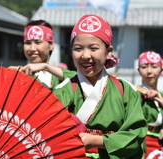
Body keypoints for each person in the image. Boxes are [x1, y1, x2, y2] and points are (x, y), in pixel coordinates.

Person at [53, 14, 147, 159]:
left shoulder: (126, 90)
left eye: (93, 48)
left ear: (108, 52)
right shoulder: (62, 91)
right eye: (78, 49)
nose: (85, 55)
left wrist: (100, 141)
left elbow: (136, 133)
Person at [18, 20, 76, 90]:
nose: (32, 48)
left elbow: (81, 80)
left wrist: (46, 67)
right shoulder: (18, 77)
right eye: (28, 43)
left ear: (51, 45)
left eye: (38, 42)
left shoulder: (58, 76)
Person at [136, 51, 163, 158]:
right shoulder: (134, 92)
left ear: (161, 69)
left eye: (154, 66)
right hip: (142, 145)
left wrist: (159, 100)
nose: (149, 71)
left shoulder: (161, 95)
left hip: (160, 145)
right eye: (144, 67)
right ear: (138, 70)